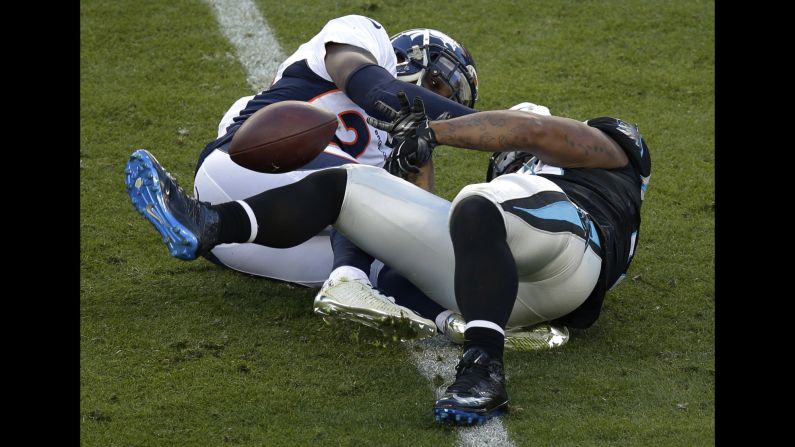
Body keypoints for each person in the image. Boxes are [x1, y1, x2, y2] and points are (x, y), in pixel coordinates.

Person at [125, 91, 650, 425]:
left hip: (576, 250)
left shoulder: (607, 164)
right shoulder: (494, 215)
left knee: (476, 203)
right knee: (348, 185)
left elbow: (534, 132)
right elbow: (417, 245)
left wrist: (434, 131)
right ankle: (210, 224)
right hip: (506, 292)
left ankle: (483, 370)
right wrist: (414, 158)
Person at [183, 15, 479, 339]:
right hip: (243, 168)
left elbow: (412, 237)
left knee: (397, 254)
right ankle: (347, 281)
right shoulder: (365, 38)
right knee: (368, 188)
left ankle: (469, 327)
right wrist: (492, 127)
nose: (437, 102)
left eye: (446, 98)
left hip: (244, 244)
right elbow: (376, 89)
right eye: (437, 86)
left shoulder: (408, 151)